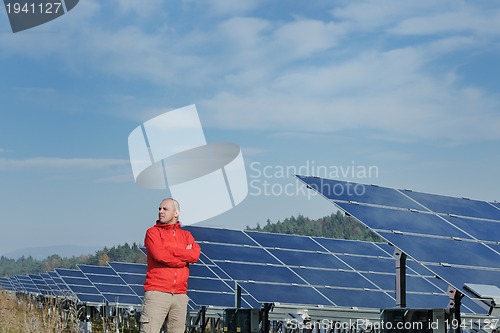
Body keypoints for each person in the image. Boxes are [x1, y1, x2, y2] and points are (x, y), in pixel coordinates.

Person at [140, 198, 201, 333]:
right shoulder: (153, 232)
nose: (160, 212)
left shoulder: (186, 235)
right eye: (159, 209)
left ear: (176, 213)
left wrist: (171, 250)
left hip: (180, 294)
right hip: (157, 292)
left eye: (165, 209)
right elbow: (159, 256)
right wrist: (183, 258)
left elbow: (195, 255)